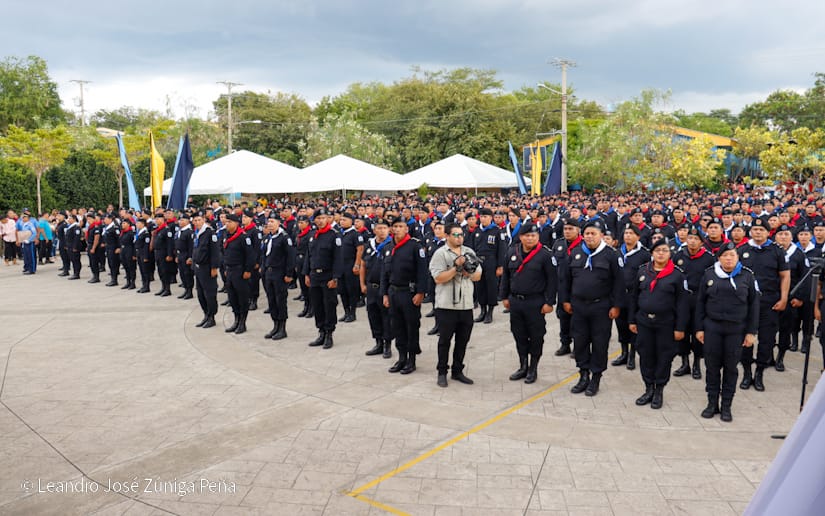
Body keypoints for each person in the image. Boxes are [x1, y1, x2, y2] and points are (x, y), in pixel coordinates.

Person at [696, 242, 759, 422]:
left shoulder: (747, 276)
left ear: (737, 257)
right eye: (725, 255)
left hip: (736, 329)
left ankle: (726, 406)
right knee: (712, 367)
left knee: (731, 369)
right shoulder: (710, 274)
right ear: (719, 258)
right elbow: (700, 302)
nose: (728, 259)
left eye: (732, 255)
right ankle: (712, 403)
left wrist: (751, 332)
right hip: (712, 328)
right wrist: (699, 328)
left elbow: (754, 305)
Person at [560, 219, 624, 396]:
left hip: (601, 307)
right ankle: (583, 375)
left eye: (593, 233)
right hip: (579, 307)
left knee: (599, 342)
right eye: (587, 233)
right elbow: (566, 279)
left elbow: (619, 283)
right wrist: (565, 300)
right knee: (580, 342)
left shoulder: (612, 255)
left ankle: (595, 377)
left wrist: (617, 306)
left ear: (601, 235)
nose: (589, 237)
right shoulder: (576, 253)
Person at [628, 239, 689, 409]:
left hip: (666, 323)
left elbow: (682, 304)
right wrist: (632, 320)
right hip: (644, 321)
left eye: (664, 251)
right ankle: (648, 388)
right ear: (652, 253)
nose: (660, 253)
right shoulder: (643, 271)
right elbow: (634, 297)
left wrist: (680, 327)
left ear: (670, 254)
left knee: (664, 357)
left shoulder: (677, 275)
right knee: (646, 355)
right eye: (657, 251)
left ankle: (659, 390)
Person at [499, 222, 558, 384]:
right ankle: (523, 365)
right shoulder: (512, 251)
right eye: (527, 236)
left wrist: (550, 302)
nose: (530, 238)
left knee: (536, 336)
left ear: (538, 237)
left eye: (533, 235)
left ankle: (533, 367)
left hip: (536, 302)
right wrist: (504, 296)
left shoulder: (545, 255)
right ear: (521, 237)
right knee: (519, 335)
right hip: (516, 302)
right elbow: (506, 277)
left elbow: (553, 281)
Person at [737, 216, 789, 392]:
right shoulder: (742, 249)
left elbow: (785, 275)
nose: (758, 232)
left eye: (762, 230)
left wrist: (783, 298)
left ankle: (759, 373)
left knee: (766, 340)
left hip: (769, 302)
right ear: (750, 231)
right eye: (755, 229)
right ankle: (746, 373)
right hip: (746, 303)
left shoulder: (776, 251)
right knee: (746, 339)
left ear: (768, 232)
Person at [429, 222, 482, 387]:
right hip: (446, 305)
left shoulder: (469, 252)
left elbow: (478, 275)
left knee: (462, 340)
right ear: (447, 236)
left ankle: (457, 370)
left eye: (461, 234)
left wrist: (469, 272)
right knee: (445, 341)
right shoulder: (440, 253)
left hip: (466, 305)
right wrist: (456, 268)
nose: (459, 237)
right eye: (456, 235)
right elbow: (438, 278)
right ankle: (442, 371)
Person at [382, 217, 429, 374]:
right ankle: (401, 358)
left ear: (406, 229)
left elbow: (422, 271)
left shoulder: (415, 246)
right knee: (397, 326)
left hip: (409, 293)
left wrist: (421, 292)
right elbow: (384, 273)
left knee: (411, 326)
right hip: (393, 292)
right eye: (394, 226)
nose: (397, 229)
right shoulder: (388, 247)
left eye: (400, 226)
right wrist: (385, 294)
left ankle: (411, 359)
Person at [672, 226, 716, 379]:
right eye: (690, 238)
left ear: (701, 242)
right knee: (682, 331)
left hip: (699, 300)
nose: (692, 241)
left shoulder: (709, 258)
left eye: (696, 239)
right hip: (682, 299)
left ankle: (697, 364)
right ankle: (685, 363)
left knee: (698, 331)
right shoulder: (678, 256)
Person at [303, 208, 344, 349]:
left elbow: (338, 259)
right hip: (314, 275)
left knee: (329, 305)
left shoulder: (334, 236)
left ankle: (329, 334)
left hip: (328, 276)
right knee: (317, 305)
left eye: (323, 218)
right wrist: (306, 273)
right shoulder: (312, 235)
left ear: (328, 219)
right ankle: (320, 331)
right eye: (318, 218)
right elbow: (309, 256)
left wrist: (335, 277)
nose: (320, 221)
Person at [614, 225, 650, 370]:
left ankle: (632, 355)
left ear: (638, 236)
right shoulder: (616, 253)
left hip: (635, 296)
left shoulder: (644, 254)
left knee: (633, 325)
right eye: (626, 233)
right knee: (621, 325)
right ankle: (623, 352)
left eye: (631, 233)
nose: (628, 236)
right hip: (620, 295)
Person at [774, 224, 809, 372]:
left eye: (786, 234)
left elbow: (805, 277)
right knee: (768, 330)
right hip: (772, 296)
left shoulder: (799, 254)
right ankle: (768, 355)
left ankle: (780, 357)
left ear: (791, 236)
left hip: (790, 298)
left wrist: (800, 297)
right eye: (780, 234)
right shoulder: (772, 251)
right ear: (775, 237)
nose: (783, 237)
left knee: (785, 330)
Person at [360, 218, 394, 358]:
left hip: (385, 288)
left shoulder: (392, 245)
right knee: (373, 315)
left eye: (384, 228)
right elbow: (363, 265)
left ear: (389, 230)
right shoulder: (369, 245)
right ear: (374, 230)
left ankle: (387, 344)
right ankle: (378, 342)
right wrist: (362, 284)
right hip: (371, 287)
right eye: (379, 228)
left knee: (386, 316)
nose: (381, 231)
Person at [551, 218, 582, 356]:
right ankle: (565, 344)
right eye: (566, 229)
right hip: (562, 287)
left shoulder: (584, 245)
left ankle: (578, 345)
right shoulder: (559, 244)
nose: (567, 232)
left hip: (578, 288)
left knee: (577, 319)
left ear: (578, 230)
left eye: (571, 229)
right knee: (563, 317)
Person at [262, 216, 296, 340]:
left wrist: (289, 274)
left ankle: (282, 327)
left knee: (280, 300)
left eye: (272, 222)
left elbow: (290, 257)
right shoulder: (268, 238)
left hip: (279, 273)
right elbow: (264, 256)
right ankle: (275, 325)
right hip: (269, 273)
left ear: (279, 223)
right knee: (271, 300)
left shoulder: (284, 238)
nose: (269, 224)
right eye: (268, 222)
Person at [222, 213, 256, 334]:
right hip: (230, 270)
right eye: (226, 222)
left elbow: (250, 256)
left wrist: (247, 270)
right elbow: (226, 253)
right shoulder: (227, 235)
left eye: (229, 222)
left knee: (242, 297)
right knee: (232, 297)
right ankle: (236, 320)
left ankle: (242, 322)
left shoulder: (243, 237)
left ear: (236, 223)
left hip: (240, 271)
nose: (227, 224)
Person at [472, 208, 507, 325]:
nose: (483, 219)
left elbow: (502, 250)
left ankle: (490, 312)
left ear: (491, 218)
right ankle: (482, 310)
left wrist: (500, 266)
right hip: (478, 262)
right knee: (479, 286)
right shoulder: (477, 231)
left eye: (486, 216)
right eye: (481, 217)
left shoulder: (496, 231)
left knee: (491, 287)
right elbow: (472, 248)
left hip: (491, 262)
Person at [191, 213, 221, 328]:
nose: (197, 222)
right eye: (195, 220)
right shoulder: (197, 233)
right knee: (200, 293)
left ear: (203, 220)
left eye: (199, 220)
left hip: (207, 268)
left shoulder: (209, 233)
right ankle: (206, 314)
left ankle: (212, 317)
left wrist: (214, 268)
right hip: (198, 268)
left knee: (209, 293)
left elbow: (215, 252)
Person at [337, 213, 364, 323]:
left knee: (351, 290)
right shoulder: (339, 233)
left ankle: (352, 313)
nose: (342, 221)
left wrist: (357, 264)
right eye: (341, 220)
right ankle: (346, 312)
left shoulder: (355, 234)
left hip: (351, 265)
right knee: (342, 290)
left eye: (345, 220)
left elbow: (360, 249)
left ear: (351, 221)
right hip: (341, 266)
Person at [294, 216, 314, 319]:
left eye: (302, 222)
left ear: (307, 223)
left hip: (307, 262)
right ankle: (306, 306)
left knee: (309, 287)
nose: (300, 224)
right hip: (299, 261)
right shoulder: (299, 234)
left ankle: (312, 308)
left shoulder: (311, 234)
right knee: (303, 286)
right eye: (299, 222)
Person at [152, 213, 175, 296]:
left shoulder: (166, 230)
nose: (157, 221)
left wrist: (169, 255)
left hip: (164, 253)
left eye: (158, 219)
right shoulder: (158, 230)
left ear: (163, 220)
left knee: (165, 271)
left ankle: (167, 289)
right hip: (158, 253)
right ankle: (163, 287)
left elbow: (170, 243)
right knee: (160, 271)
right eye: (156, 219)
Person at [175, 213, 195, 300]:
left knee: (187, 274)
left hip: (186, 255)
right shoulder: (180, 231)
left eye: (182, 220)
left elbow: (191, 246)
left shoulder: (189, 232)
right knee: (182, 273)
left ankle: (189, 291)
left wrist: (190, 257)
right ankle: (186, 290)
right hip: (180, 255)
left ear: (188, 221)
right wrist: (176, 255)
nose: (180, 222)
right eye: (180, 220)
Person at [101, 213, 121, 286]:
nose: (104, 220)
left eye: (105, 219)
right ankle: (112, 279)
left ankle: (114, 280)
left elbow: (118, 238)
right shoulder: (107, 227)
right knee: (110, 263)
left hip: (114, 248)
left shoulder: (115, 227)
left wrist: (119, 247)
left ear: (110, 219)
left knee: (114, 264)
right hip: (108, 247)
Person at [134, 217, 152, 292]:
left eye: (138, 223)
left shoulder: (146, 233)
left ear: (143, 224)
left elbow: (146, 246)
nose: (136, 224)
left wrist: (145, 256)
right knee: (141, 270)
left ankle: (147, 286)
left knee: (145, 271)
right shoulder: (139, 232)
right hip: (139, 253)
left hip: (143, 254)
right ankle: (143, 285)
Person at [118, 217, 136, 290]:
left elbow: (134, 244)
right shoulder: (123, 232)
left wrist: (134, 254)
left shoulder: (131, 233)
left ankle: (132, 283)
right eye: (122, 223)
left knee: (131, 267)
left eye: (124, 223)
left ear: (128, 224)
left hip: (130, 250)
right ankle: (128, 282)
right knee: (126, 267)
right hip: (123, 250)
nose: (122, 224)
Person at [55, 211, 69, 276]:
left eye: (60, 215)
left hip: (64, 242)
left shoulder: (64, 224)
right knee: (62, 255)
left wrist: (66, 244)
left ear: (63, 216)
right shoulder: (59, 224)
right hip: (60, 241)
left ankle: (66, 270)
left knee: (65, 256)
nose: (58, 217)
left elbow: (66, 235)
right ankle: (64, 267)